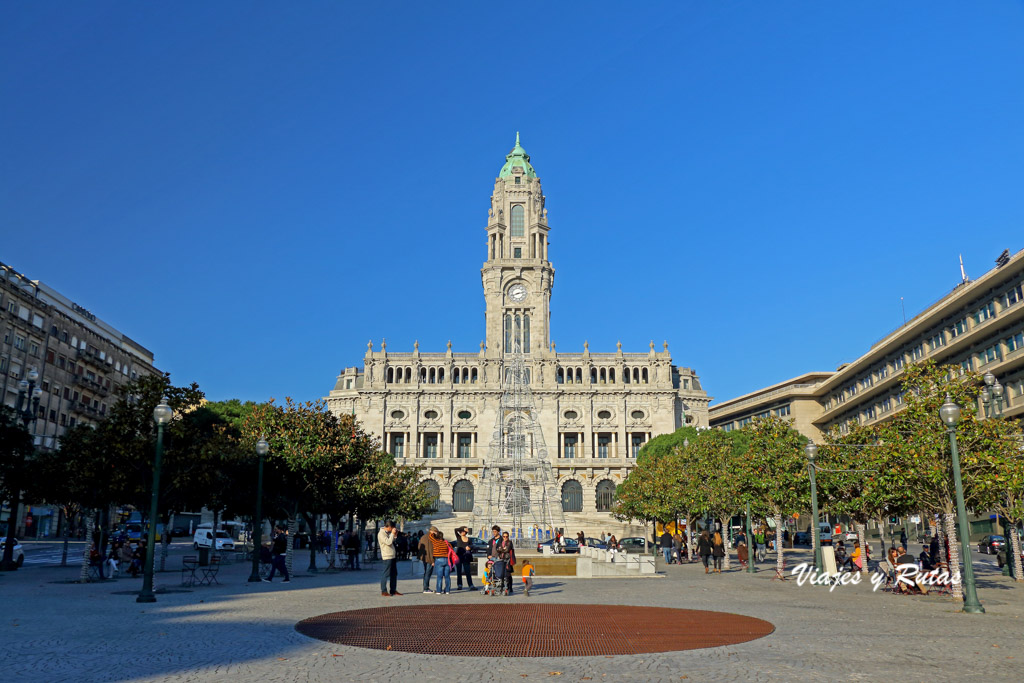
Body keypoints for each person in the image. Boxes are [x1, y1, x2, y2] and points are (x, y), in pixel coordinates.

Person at [377, 520, 401, 597]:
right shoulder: (381, 534)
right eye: (392, 527)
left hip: (392, 555)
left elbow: (392, 541)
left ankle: (393, 590)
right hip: (387, 556)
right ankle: (384, 590)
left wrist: (395, 535)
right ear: (389, 527)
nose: (393, 529)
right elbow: (388, 542)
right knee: (386, 573)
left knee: (394, 573)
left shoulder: (388, 533)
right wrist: (392, 534)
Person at [429, 527, 451, 595]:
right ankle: (447, 590)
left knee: (439, 576)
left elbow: (430, 536)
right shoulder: (446, 542)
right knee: (447, 576)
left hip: (439, 559)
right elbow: (451, 550)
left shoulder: (435, 542)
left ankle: (439, 590)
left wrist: (434, 533)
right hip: (447, 560)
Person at [454, 527, 476, 591]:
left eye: (463, 531)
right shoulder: (458, 537)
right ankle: (459, 585)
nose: (462, 532)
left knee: (468, 572)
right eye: (461, 531)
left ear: (466, 532)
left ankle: (471, 585)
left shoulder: (469, 539)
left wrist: (470, 547)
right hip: (459, 557)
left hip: (466, 557)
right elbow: (455, 530)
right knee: (459, 571)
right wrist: (464, 528)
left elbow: (472, 546)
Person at [419, 529, 435, 593]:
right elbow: (431, 551)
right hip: (429, 559)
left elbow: (419, 546)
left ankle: (425, 587)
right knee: (428, 573)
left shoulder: (423, 537)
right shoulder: (431, 538)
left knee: (426, 572)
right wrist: (432, 561)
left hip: (424, 558)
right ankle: (426, 588)